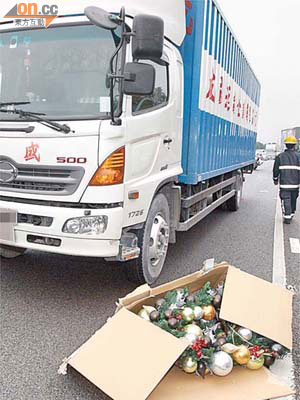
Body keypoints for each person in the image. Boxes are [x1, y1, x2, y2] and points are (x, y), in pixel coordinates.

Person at [273, 136, 300, 224]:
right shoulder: (298, 156)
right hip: (295, 185)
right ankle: (291, 213)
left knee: (286, 198)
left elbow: (276, 170)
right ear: (294, 145)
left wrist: (275, 179)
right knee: (293, 199)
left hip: (284, 184)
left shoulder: (280, 156)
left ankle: (287, 216)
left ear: (286, 145)